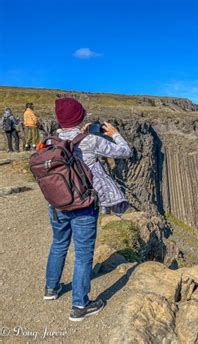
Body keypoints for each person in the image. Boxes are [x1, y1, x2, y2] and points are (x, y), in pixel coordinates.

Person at [44, 97, 132, 321]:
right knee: (83, 255)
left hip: (57, 204)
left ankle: (51, 290)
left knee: (58, 244)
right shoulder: (90, 140)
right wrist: (113, 133)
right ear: (80, 117)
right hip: (83, 205)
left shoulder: (50, 140)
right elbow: (125, 151)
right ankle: (80, 305)